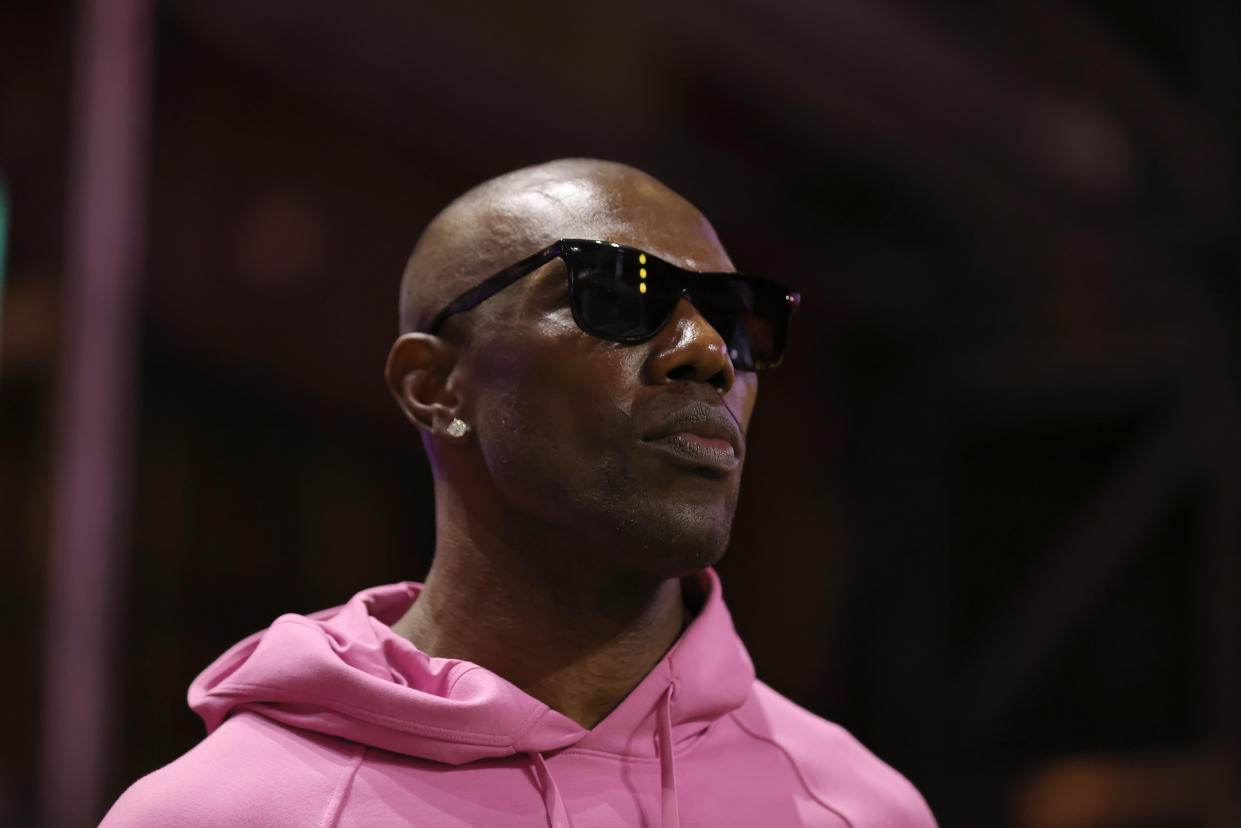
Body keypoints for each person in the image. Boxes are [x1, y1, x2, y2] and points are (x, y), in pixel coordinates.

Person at [101, 159, 936, 826]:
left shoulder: (862, 808)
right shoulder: (216, 812)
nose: (707, 352)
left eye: (736, 319)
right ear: (434, 386)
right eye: (617, 293)